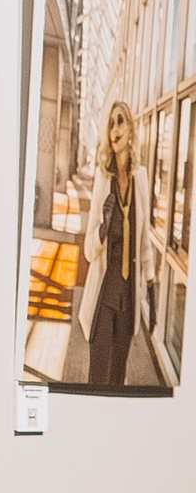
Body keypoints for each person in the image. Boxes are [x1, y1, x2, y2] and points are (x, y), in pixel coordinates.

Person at [76, 97, 153, 390]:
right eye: (110, 124)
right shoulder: (103, 177)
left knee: (117, 378)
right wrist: (103, 228)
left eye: (120, 121)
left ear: (130, 129)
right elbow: (88, 251)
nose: (115, 129)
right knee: (98, 377)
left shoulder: (141, 178)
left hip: (128, 298)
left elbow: (144, 239)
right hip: (104, 294)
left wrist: (151, 287)